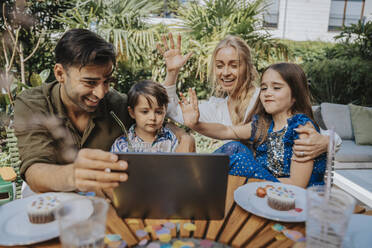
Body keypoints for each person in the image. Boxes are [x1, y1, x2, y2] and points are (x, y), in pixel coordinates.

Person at [13, 29, 193, 194]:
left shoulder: (117, 104)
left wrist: (184, 137)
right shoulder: (33, 104)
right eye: (90, 82)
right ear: (60, 74)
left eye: (107, 81)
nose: (101, 93)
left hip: (99, 204)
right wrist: (74, 175)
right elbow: (34, 170)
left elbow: (154, 115)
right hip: (48, 201)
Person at [157, 33, 341, 162]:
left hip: (269, 183)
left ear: (247, 67)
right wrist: (172, 72)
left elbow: (323, 134)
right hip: (236, 182)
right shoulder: (216, 107)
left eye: (234, 65)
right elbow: (170, 110)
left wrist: (326, 141)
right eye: (220, 65)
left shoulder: (265, 99)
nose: (226, 72)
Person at [180, 63, 326, 188]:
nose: (267, 93)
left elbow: (297, 184)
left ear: (295, 95)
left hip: (293, 194)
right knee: (233, 147)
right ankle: (194, 180)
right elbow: (226, 130)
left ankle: (195, 184)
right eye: (264, 88)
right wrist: (195, 124)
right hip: (267, 184)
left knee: (239, 160)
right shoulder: (265, 124)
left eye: (276, 88)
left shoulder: (301, 128)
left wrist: (252, 184)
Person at [111, 80, 186, 153]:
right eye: (145, 112)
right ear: (132, 112)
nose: (152, 118)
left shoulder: (172, 140)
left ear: (165, 111)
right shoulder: (121, 145)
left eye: (159, 112)